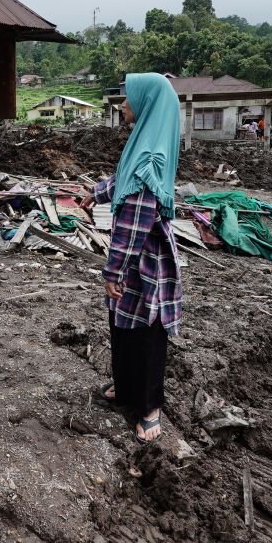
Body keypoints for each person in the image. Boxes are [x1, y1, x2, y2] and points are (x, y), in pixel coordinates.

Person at [91, 73, 183, 444]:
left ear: (145, 104)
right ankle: (126, 388)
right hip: (135, 256)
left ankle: (148, 407)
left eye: (128, 99)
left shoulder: (149, 156)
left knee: (145, 332)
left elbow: (133, 225)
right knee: (123, 324)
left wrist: (113, 270)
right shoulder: (143, 141)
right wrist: (95, 193)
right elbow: (120, 181)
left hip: (144, 260)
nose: (123, 105)